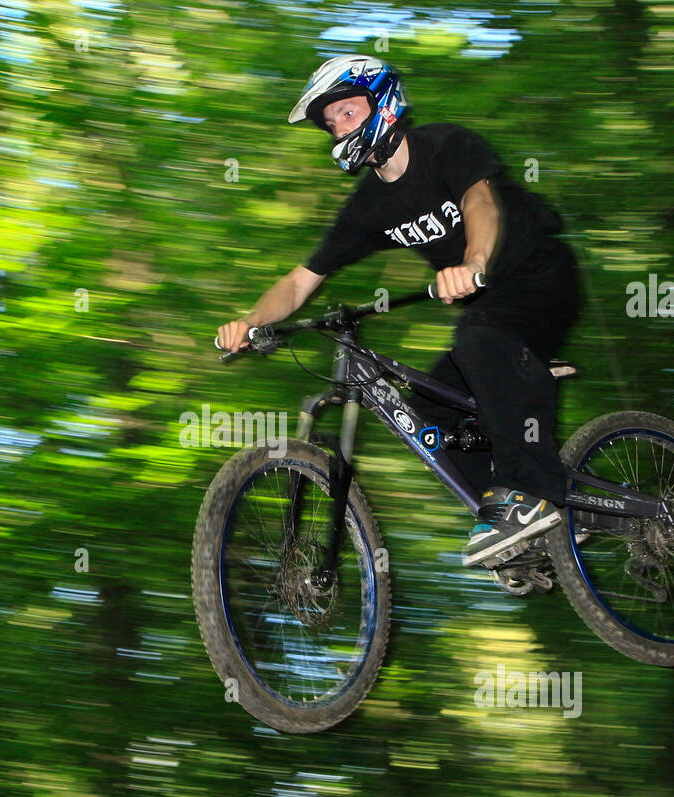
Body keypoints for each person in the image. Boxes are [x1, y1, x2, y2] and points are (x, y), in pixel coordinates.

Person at [215, 55, 581, 568]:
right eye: (330, 122)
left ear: (382, 100)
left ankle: (528, 493)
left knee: (478, 339)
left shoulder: (445, 146)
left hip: (540, 275)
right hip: (492, 312)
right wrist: (252, 322)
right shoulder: (368, 208)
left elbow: (481, 203)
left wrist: (472, 261)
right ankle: (525, 531)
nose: (339, 127)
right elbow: (301, 282)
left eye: (347, 111)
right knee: (429, 414)